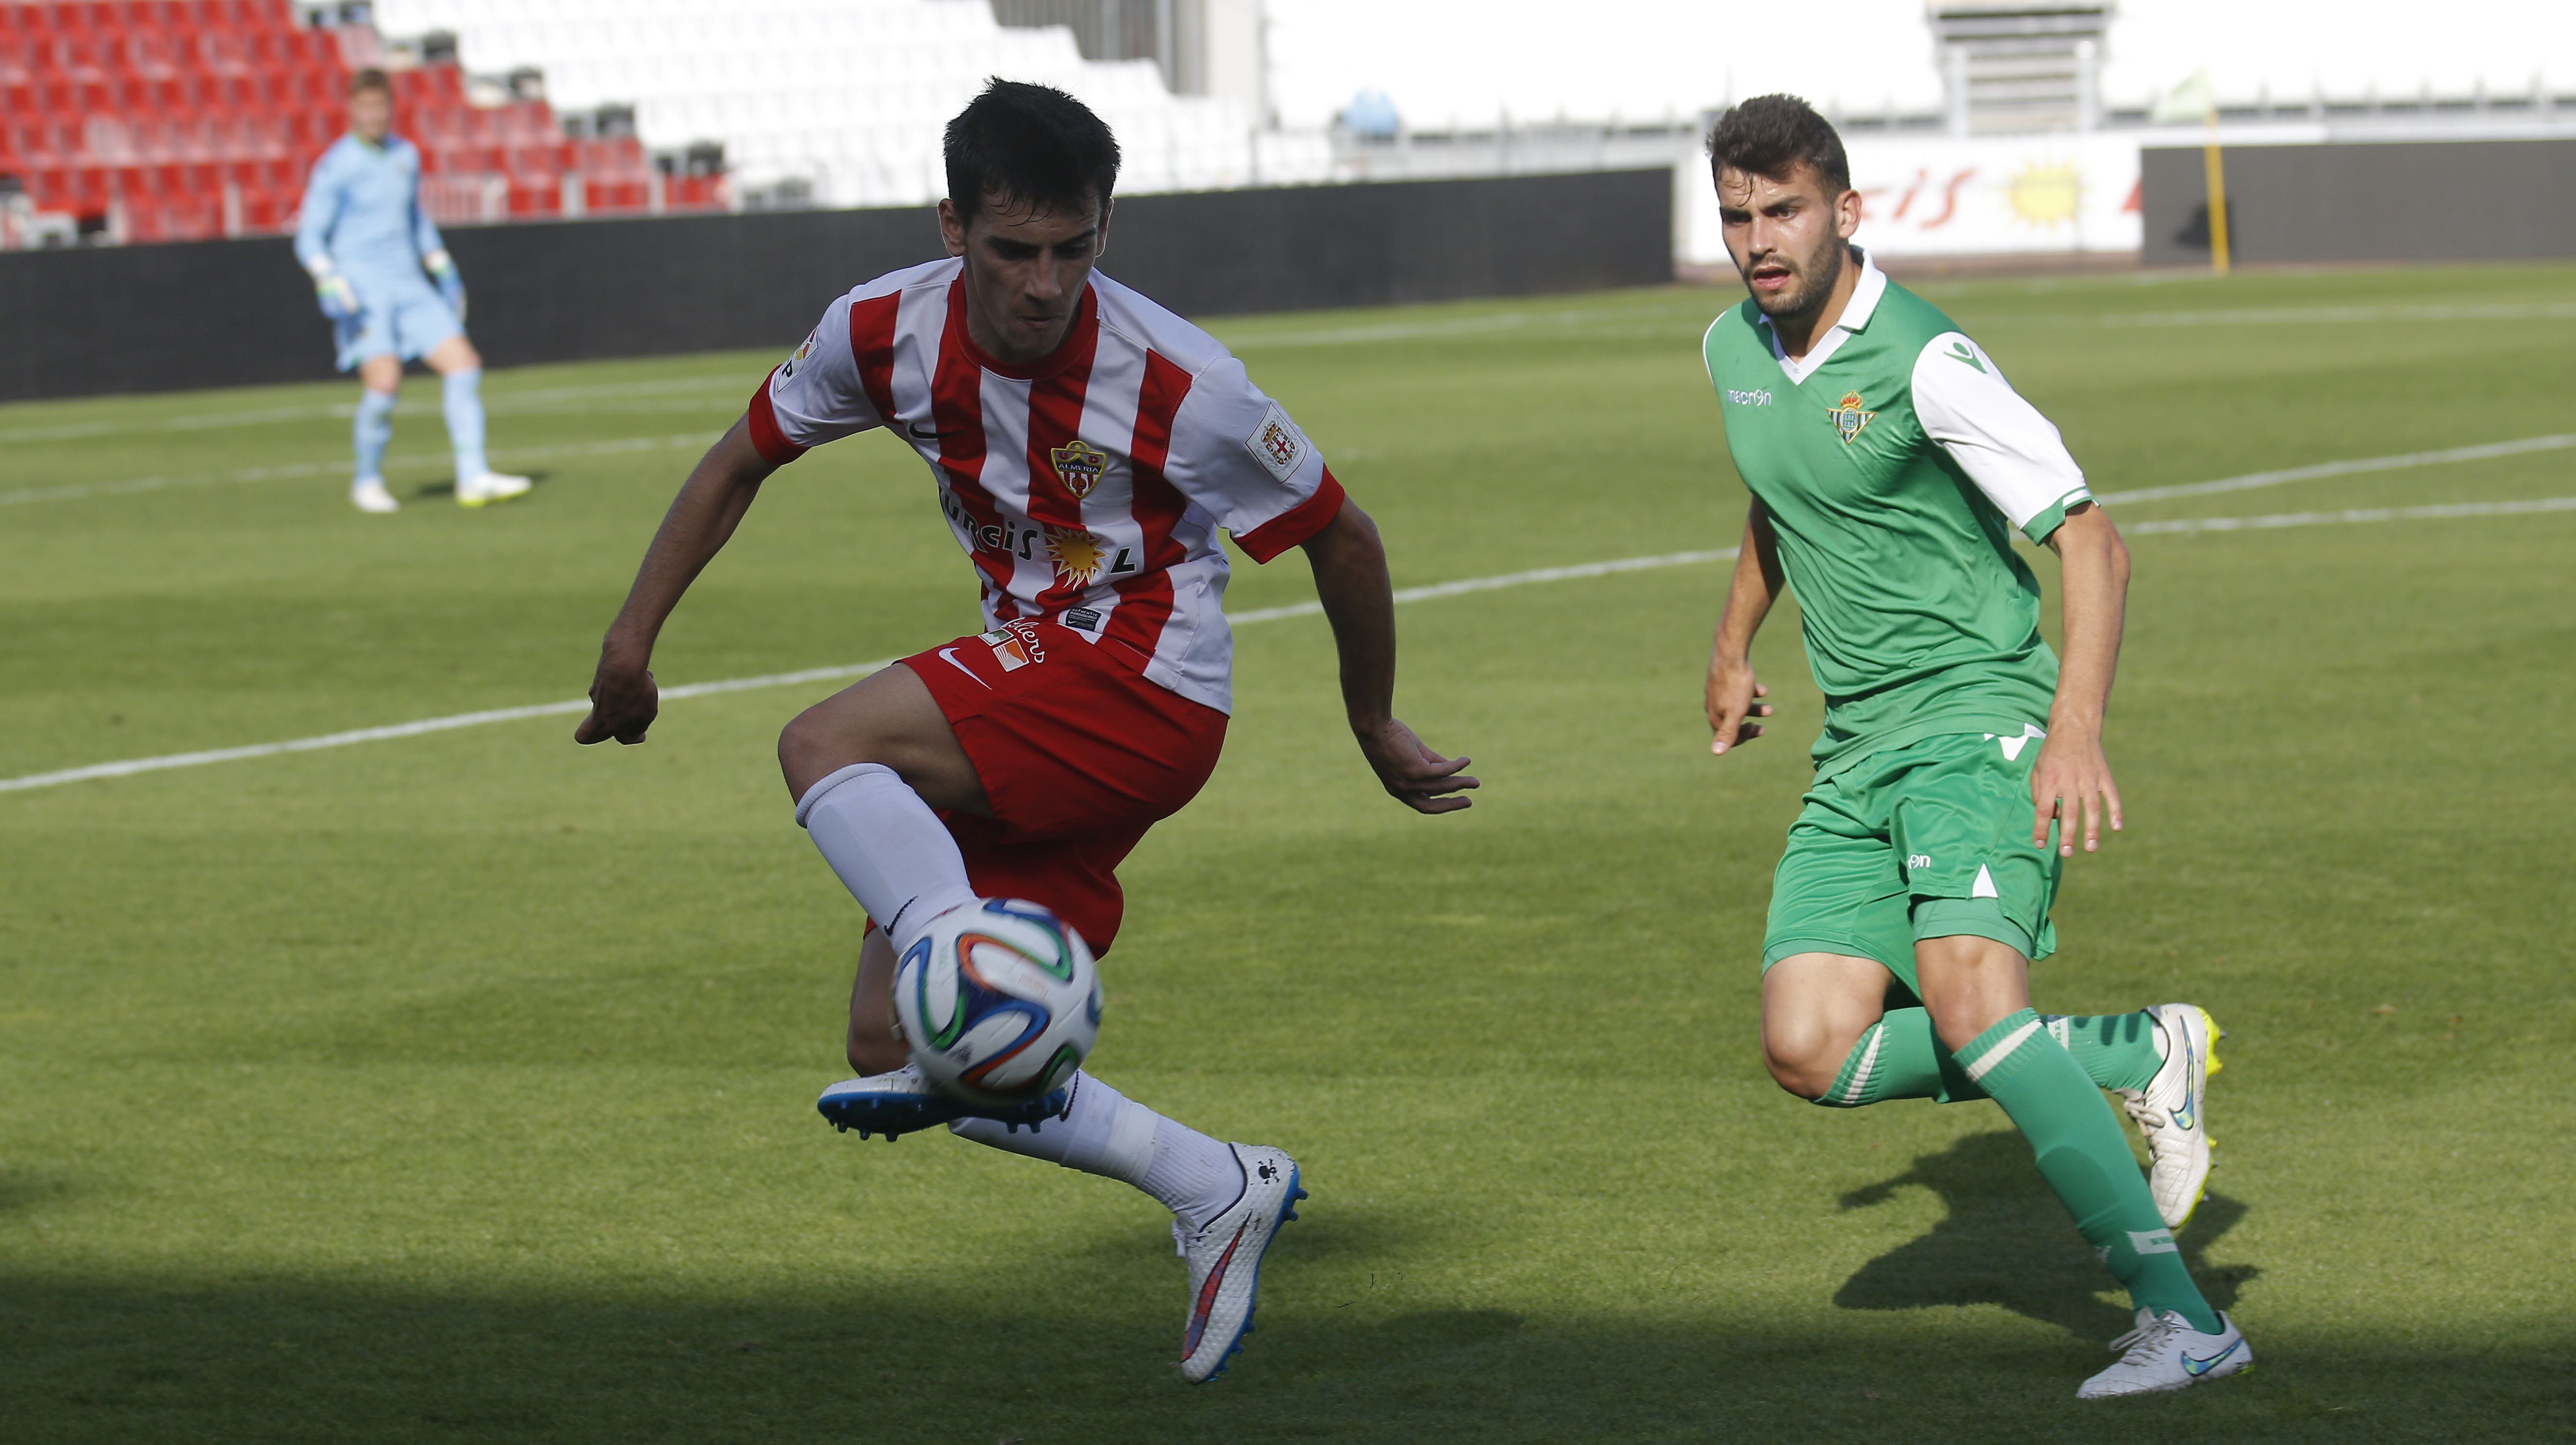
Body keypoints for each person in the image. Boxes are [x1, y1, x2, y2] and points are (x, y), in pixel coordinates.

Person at [573, 81, 1476, 1384]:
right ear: (953, 226)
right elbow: (738, 460)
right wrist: (628, 643)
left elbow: (1343, 532)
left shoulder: (1183, 383)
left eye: (1075, 248)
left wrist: (1371, 720)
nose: (1046, 283)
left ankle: (960, 945)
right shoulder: (878, 332)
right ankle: (1214, 1184)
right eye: (1015, 250)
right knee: (907, 1048)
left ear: (1106, 232)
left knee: (823, 746)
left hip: (1143, 677)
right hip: (1042, 674)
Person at [1694, 96, 2249, 1399]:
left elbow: (2091, 541)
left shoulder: (1925, 358)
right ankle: (2127, 1054)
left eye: (1783, 211)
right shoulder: (1728, 345)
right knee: (1808, 1046)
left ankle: (2185, 1320)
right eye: (1736, 216)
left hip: (1976, 716)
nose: (1760, 240)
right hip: (1856, 746)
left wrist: (2070, 732)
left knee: (1972, 1005)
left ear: (1846, 209)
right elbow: (1777, 496)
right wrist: (1731, 645)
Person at [293, 68, 529, 513]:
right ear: (352, 109)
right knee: (384, 385)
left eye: (380, 106)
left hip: (410, 283)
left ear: (390, 107)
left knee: (464, 365)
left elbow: (414, 218)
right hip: (364, 289)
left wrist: (440, 262)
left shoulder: (406, 154)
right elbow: (309, 235)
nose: (373, 115)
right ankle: (367, 480)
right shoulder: (338, 165)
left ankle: (473, 475)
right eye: (365, 107)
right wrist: (328, 275)